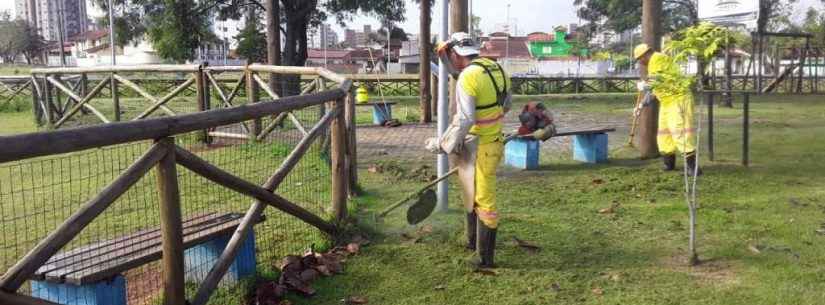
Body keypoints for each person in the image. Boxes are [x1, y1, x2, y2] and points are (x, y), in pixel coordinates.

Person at [426, 32, 512, 268]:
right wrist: (443, 56)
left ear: (455, 54)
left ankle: (484, 258)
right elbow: (507, 105)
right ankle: (472, 241)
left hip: (479, 147)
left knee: (484, 201)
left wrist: (444, 145)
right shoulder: (496, 69)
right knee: (469, 192)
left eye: (450, 56)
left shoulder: (468, 78)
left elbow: (465, 120)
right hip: (493, 142)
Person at [634, 43, 702, 176]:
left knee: (680, 131)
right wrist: (641, 105)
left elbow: (655, 81)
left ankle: (693, 168)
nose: (640, 63)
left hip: (679, 99)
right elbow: (656, 90)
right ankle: (669, 164)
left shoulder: (657, 59)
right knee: (664, 134)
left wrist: (645, 85)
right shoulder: (653, 64)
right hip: (667, 102)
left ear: (644, 55)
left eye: (639, 60)